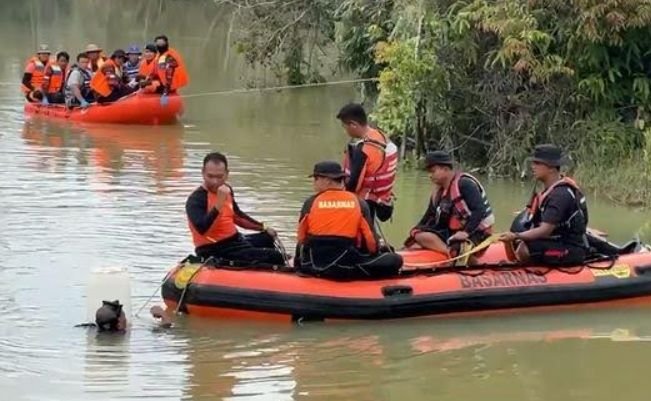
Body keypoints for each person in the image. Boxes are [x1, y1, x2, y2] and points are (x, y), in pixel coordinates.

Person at [295, 161, 403, 280]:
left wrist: (299, 264)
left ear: (328, 181)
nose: (313, 182)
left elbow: (301, 238)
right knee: (395, 259)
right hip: (345, 267)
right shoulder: (359, 202)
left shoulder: (310, 203)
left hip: (313, 266)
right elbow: (371, 244)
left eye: (316, 178)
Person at [186, 152, 285, 266]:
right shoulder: (196, 199)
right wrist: (219, 204)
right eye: (210, 176)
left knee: (267, 238)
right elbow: (203, 229)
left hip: (234, 240)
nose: (215, 181)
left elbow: (237, 216)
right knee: (275, 256)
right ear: (203, 173)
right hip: (214, 248)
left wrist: (262, 227)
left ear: (227, 174)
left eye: (219, 176)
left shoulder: (227, 189)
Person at [499, 144, 589, 266]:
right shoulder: (549, 190)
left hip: (570, 248)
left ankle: (531, 273)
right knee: (519, 239)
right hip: (556, 240)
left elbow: (545, 230)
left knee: (526, 248)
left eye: (537, 163)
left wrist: (516, 236)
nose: (533, 167)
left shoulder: (560, 195)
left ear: (551, 167)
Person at [404, 151, 495, 264]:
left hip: (477, 232)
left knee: (460, 246)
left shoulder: (465, 184)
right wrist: (415, 231)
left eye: (433, 171)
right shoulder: (438, 192)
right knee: (418, 235)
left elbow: (479, 210)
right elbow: (429, 216)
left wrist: (466, 232)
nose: (430, 175)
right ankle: (448, 251)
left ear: (446, 169)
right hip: (452, 232)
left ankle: (456, 256)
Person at [337, 103, 398, 222]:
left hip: (365, 201)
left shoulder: (364, 149)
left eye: (345, 127)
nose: (345, 131)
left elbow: (354, 185)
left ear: (353, 125)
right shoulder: (381, 136)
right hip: (380, 198)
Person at [154, 35, 189, 105]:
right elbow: (156, 71)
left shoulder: (169, 57)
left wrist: (165, 92)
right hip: (164, 82)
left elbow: (169, 75)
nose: (160, 45)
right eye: (158, 44)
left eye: (162, 43)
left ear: (166, 43)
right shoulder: (160, 55)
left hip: (170, 85)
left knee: (151, 87)